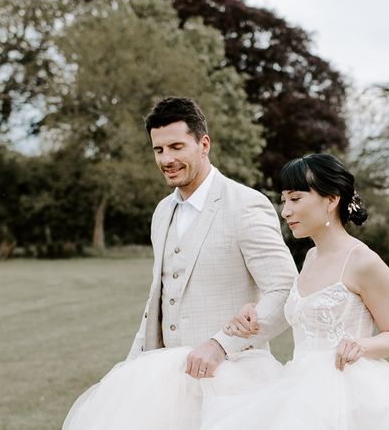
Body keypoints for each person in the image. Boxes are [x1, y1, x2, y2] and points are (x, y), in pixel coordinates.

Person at [63, 97, 297, 430]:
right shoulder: (162, 212)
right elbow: (159, 298)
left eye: (176, 147)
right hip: (164, 383)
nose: (167, 159)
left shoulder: (245, 204)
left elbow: (285, 289)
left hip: (231, 382)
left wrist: (219, 345)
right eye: (158, 150)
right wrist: (132, 368)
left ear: (204, 144)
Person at [201, 153, 389, 430]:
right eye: (284, 200)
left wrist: (362, 345)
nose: (286, 211)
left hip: (350, 392)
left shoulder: (365, 263)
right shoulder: (311, 257)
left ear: (331, 199)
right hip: (299, 386)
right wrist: (252, 310)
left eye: (295, 199)